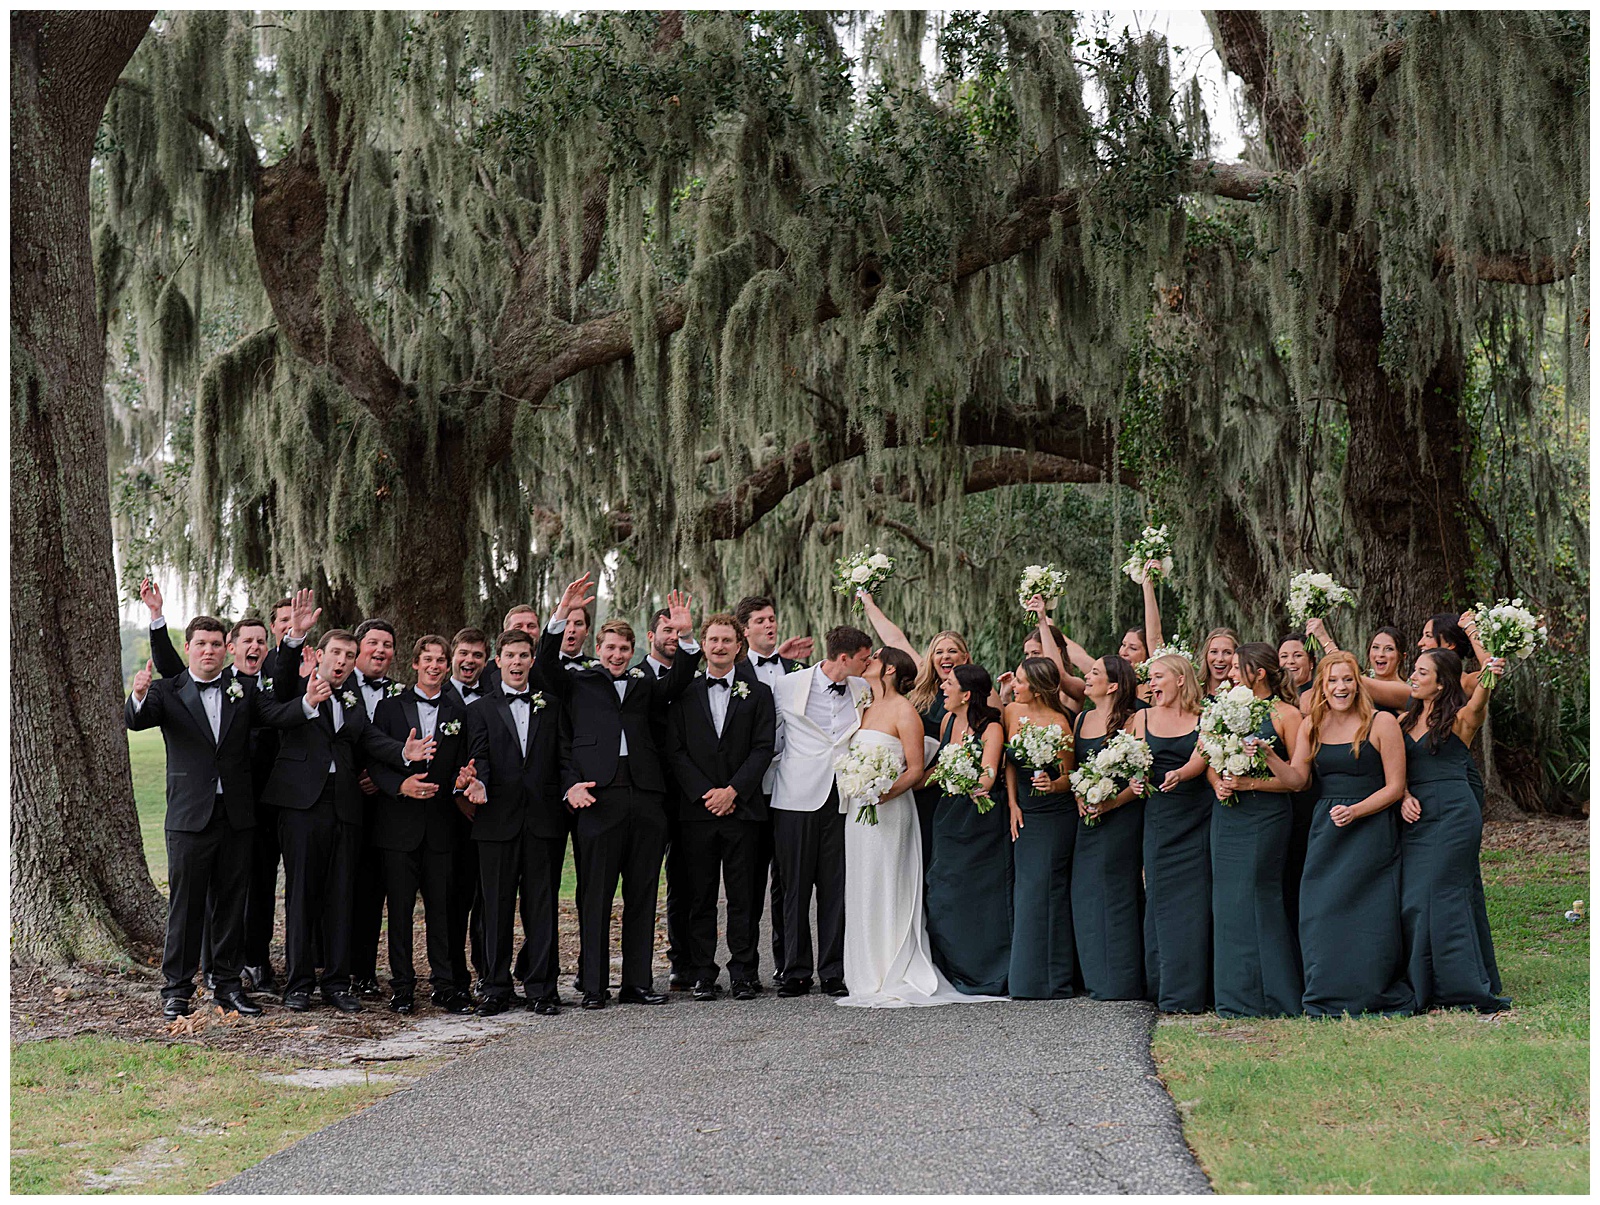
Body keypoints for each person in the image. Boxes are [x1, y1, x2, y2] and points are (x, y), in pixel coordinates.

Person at [125, 616, 307, 1018]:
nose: (209, 650)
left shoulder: (241, 689)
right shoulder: (167, 690)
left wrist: (310, 702)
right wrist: (137, 696)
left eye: (215, 644)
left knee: (231, 905)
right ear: (188, 647)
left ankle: (227, 986)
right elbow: (136, 720)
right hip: (190, 817)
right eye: (201, 643)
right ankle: (176, 989)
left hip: (237, 815)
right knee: (185, 907)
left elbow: (277, 716)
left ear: (226, 649)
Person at [534, 575, 701, 1009]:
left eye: (624, 649)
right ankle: (593, 986)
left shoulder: (646, 684)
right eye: (609, 647)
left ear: (633, 652)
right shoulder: (578, 681)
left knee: (643, 893)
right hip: (598, 797)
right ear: (599, 648)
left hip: (646, 798)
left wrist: (685, 635)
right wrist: (558, 616)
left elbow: (680, 680)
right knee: (595, 895)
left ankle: (638, 983)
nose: (616, 655)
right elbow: (545, 667)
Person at [266, 590, 433, 1013]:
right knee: (302, 895)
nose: (341, 661)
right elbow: (277, 696)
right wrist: (294, 640)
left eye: (348, 655)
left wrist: (403, 754)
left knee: (342, 895)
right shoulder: (296, 686)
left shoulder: (354, 698)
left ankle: (338, 984)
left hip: (346, 807)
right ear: (319, 654)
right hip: (302, 806)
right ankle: (300, 983)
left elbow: (368, 739)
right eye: (336, 653)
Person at [838, 647, 994, 1007]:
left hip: (891, 810)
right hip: (860, 812)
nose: (867, 663)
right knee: (863, 883)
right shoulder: (863, 706)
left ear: (889, 668)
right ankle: (865, 970)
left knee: (889, 884)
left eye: (874, 659)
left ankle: (894, 967)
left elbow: (915, 770)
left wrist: (884, 792)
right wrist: (858, 783)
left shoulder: (905, 711)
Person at [1266, 652, 1413, 1017]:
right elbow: (1299, 781)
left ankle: (1367, 992)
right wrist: (1269, 757)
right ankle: (1325, 994)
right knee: (1320, 909)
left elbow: (1395, 787)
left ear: (1358, 682)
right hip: (1327, 826)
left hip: (1371, 825)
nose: (1340, 687)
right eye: (1332, 681)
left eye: (1347, 679)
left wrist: (1356, 811)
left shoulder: (1381, 723)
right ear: (1322, 686)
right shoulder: (1312, 724)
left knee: (1368, 913)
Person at [664, 613, 777, 1000]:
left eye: (727, 640)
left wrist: (733, 791)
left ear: (738, 646)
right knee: (700, 896)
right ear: (704, 645)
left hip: (743, 811)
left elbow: (764, 747)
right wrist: (706, 793)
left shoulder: (758, 691)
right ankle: (702, 973)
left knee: (744, 896)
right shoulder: (683, 693)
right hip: (697, 812)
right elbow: (675, 751)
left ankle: (744, 972)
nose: (719, 646)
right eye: (713, 640)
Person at [462, 626, 569, 1015]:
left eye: (524, 656)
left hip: (544, 821)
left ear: (532, 661)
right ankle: (495, 987)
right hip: (496, 820)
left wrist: (571, 788)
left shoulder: (551, 706)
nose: (518, 662)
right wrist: (479, 786)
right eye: (511, 656)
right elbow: (480, 758)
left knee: (541, 906)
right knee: (495, 907)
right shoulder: (480, 710)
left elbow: (564, 758)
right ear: (498, 662)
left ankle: (542, 988)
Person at [368, 635, 476, 1016]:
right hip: (398, 825)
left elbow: (464, 760)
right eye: (427, 659)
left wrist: (464, 779)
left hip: (442, 826)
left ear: (447, 667)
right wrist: (401, 785)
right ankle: (402, 988)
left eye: (440, 660)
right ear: (414, 664)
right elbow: (375, 761)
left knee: (442, 911)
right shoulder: (389, 708)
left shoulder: (457, 710)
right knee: (398, 912)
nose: (434, 666)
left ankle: (445, 986)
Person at [1398, 648, 1511, 1013]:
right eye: (1413, 671)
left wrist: (1490, 666)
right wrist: (1403, 794)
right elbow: (1391, 769)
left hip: (1454, 814)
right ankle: (1422, 984)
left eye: (1421, 673)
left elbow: (1480, 698)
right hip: (1415, 817)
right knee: (1415, 899)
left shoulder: (1461, 719)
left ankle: (1460, 987)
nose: (1413, 677)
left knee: (1444, 896)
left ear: (1442, 682)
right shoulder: (1401, 721)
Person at [767, 625, 873, 997]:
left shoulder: (864, 690)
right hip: (795, 797)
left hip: (843, 797)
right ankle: (794, 971)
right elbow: (773, 735)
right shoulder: (787, 685)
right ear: (843, 658)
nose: (869, 663)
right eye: (863, 658)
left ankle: (833, 970)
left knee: (836, 887)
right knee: (793, 886)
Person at [1208, 643, 1304, 1018]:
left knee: (1260, 897)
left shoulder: (1287, 715)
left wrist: (1253, 783)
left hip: (1266, 815)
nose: (1229, 673)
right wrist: (1217, 781)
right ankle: (1234, 997)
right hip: (1228, 817)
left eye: (1236, 667)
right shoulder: (1224, 710)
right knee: (1228, 902)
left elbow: (1299, 780)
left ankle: (1275, 996)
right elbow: (1209, 756)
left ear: (1259, 673)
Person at [857, 591, 976, 865]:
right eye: (939, 651)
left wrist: (922, 778)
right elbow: (896, 640)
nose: (945, 657)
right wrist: (869, 604)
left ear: (965, 657)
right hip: (909, 782)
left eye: (952, 651)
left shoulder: (976, 689)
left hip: (943, 781)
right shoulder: (922, 683)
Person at [733, 594, 812, 984]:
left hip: (791, 789)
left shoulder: (798, 671)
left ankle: (788, 965)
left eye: (772, 618)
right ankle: (745, 970)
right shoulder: (731, 669)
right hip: (749, 792)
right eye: (761, 620)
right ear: (743, 630)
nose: (770, 624)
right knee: (747, 882)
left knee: (786, 882)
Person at [1132, 652, 1213, 1013]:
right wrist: (1134, 780)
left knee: (1194, 902)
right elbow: (1131, 759)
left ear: (1181, 679)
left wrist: (1182, 773)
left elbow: (1201, 757)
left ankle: (1192, 989)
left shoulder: (1204, 716)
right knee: (1160, 898)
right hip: (1159, 817)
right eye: (1150, 679)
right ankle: (1162, 985)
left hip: (1196, 815)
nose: (1152, 684)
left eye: (1158, 677)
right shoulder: (1142, 717)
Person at [924, 664, 1012, 996]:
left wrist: (957, 776)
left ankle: (987, 971)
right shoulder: (947, 721)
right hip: (949, 815)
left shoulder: (991, 727)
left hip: (981, 819)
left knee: (980, 894)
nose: (943, 688)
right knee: (944, 890)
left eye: (949, 684)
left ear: (967, 694)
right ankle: (950, 967)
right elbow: (934, 767)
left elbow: (988, 777)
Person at [1064, 655, 1146, 1001]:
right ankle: (1094, 976)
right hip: (1089, 819)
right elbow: (1073, 771)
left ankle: (1123, 981)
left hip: (1121, 816)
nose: (1088, 676)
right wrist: (1081, 796)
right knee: (1085, 893)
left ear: (1113, 685)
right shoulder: (1081, 719)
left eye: (1095, 673)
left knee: (1116, 896)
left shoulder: (1131, 721)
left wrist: (1110, 802)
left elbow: (1140, 775)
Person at [1002, 657, 1079, 1000]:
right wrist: (1012, 803)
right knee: (1026, 891)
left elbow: (1068, 779)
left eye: (1019, 681)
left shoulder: (1060, 723)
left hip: (1054, 815)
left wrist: (1053, 783)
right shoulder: (1010, 714)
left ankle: (1052, 979)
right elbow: (1007, 764)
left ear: (1035, 687)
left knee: (1045, 891)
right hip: (1025, 813)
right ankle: (1025, 978)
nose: (1013, 686)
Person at [639, 607, 693, 991]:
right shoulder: (634, 676)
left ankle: (684, 962)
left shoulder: (695, 678)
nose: (673, 637)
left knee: (685, 880)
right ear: (650, 636)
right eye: (667, 630)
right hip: (645, 792)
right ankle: (634, 969)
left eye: (680, 632)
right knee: (643, 880)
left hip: (687, 792)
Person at [445, 627, 492, 998]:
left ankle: (487, 975)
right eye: (463, 653)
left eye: (477, 655)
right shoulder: (439, 696)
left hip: (483, 812)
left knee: (485, 900)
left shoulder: (494, 695)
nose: (469, 661)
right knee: (452, 900)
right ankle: (452, 979)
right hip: (445, 814)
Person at [1197, 627, 1241, 699]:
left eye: (1227, 652)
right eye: (1214, 652)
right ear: (1206, 655)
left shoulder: (1246, 695)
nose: (1220, 659)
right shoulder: (1192, 692)